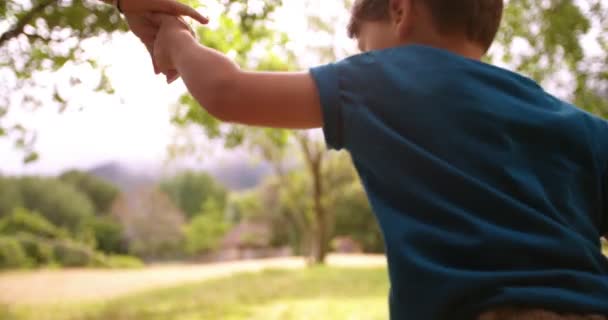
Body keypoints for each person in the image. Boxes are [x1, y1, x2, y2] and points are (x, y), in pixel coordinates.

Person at [125, 0, 608, 319]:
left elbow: (226, 92)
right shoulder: (569, 120)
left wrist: (177, 39)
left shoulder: (383, 80)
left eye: (361, 46)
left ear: (401, 10)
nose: (359, 59)